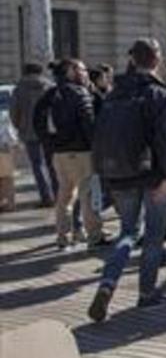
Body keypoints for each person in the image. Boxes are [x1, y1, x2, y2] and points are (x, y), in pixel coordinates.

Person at [88, 38, 166, 322]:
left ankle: (108, 283)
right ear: (156, 60)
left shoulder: (114, 94)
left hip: (120, 174)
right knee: (154, 238)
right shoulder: (162, 96)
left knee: (127, 232)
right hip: (155, 176)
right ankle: (147, 295)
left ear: (132, 60)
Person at [34, 58, 104, 249]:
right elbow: (89, 124)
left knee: (64, 196)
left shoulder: (49, 94)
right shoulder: (80, 93)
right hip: (82, 153)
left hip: (59, 154)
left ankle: (62, 236)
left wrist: (51, 145)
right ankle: (94, 235)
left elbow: (37, 122)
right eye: (82, 70)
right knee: (87, 195)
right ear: (71, 72)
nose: (86, 73)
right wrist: (95, 147)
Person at [12, 63, 58, 206]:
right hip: (49, 131)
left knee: (37, 165)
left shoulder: (20, 88)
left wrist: (19, 127)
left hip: (29, 131)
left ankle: (46, 197)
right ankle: (58, 195)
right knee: (52, 164)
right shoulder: (50, 86)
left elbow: (14, 112)